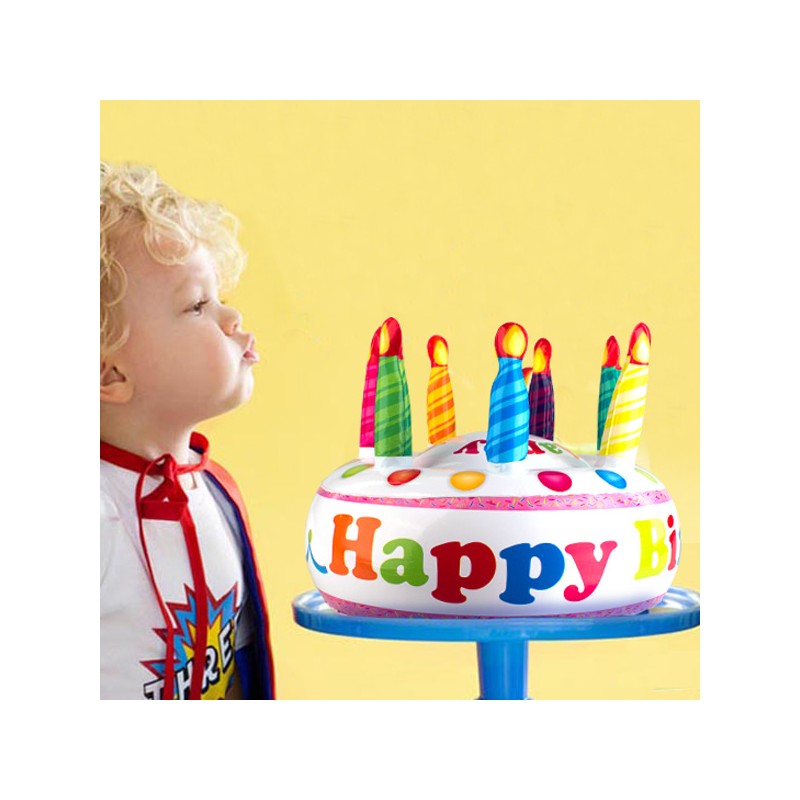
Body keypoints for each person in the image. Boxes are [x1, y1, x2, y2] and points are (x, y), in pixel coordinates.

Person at [100, 162, 275, 699]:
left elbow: (239, 667)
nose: (231, 316)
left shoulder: (212, 490)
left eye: (218, 295)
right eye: (198, 304)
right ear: (110, 374)